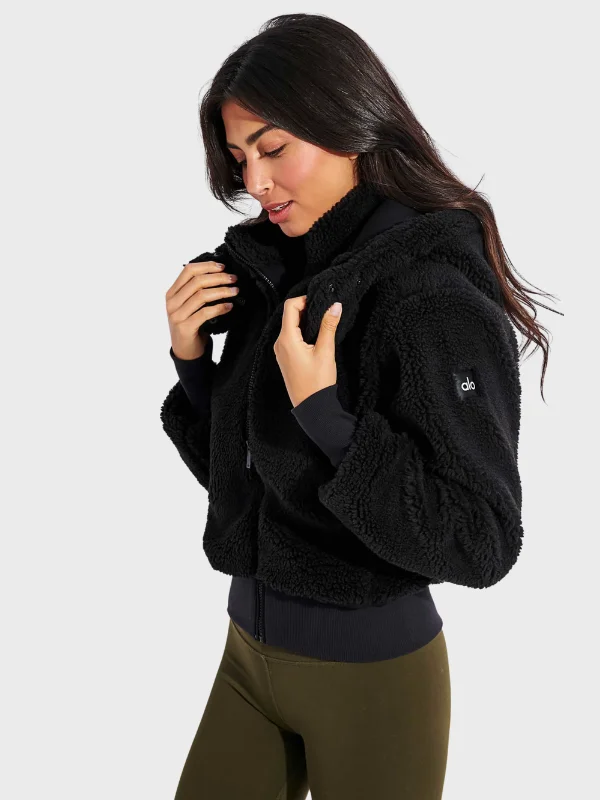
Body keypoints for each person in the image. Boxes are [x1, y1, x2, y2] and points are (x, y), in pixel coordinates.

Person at [160, 13, 558, 800]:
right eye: (240, 158)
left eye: (274, 148)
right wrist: (193, 365)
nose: (255, 182)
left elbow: (480, 541)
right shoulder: (273, 272)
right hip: (247, 659)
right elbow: (247, 486)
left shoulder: (429, 297)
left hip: (373, 679)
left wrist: (329, 418)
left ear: (347, 123)